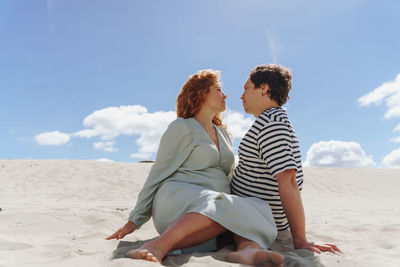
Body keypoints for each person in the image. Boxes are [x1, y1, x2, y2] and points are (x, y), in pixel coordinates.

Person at [107, 69, 284, 266]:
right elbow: (157, 174)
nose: (225, 95)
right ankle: (157, 246)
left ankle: (247, 250)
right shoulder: (182, 127)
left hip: (214, 205)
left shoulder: (223, 134)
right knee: (223, 204)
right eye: (218, 89)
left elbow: (229, 176)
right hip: (178, 199)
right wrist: (135, 220)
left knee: (258, 207)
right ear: (201, 94)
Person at [230, 64, 341, 254]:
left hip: (253, 217)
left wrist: (300, 241)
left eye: (246, 88)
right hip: (254, 215)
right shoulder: (273, 120)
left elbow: (288, 179)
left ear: (263, 88)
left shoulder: (272, 123)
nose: (242, 96)